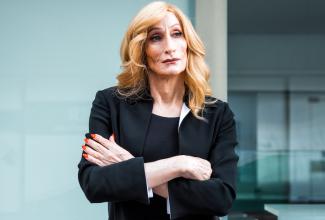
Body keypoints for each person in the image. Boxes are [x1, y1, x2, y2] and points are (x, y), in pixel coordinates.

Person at [78, 1, 238, 220]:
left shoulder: (217, 114)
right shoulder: (110, 103)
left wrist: (129, 167)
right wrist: (178, 165)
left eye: (177, 34)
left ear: (188, 43)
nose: (169, 47)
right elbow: (93, 183)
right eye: (156, 37)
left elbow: (221, 198)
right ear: (141, 49)